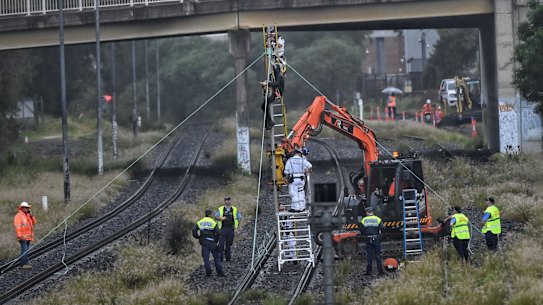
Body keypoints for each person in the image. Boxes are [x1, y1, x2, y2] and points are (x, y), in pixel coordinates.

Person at [192, 209, 224, 277]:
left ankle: (208, 273)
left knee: (206, 257)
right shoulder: (213, 222)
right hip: (213, 242)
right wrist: (217, 240)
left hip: (204, 242)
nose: (213, 215)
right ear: (209, 215)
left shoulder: (200, 222)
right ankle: (219, 273)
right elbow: (218, 233)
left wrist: (198, 237)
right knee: (216, 257)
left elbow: (194, 231)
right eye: (212, 214)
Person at [214, 196, 242, 262]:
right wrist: (221, 218)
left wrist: (237, 224)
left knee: (229, 244)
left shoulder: (234, 209)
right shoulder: (221, 209)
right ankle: (220, 259)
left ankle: (228, 259)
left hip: (230, 229)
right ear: (224, 201)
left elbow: (239, 217)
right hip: (222, 229)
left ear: (230, 201)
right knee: (221, 244)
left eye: (229, 200)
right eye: (226, 200)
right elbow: (215, 217)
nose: (228, 201)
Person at [360, 207, 385, 276]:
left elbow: (361, 230)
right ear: (373, 212)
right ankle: (380, 271)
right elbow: (382, 228)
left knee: (369, 256)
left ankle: (368, 272)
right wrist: (380, 236)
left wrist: (364, 236)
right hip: (376, 238)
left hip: (368, 239)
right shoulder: (378, 219)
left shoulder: (363, 220)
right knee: (378, 255)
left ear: (367, 213)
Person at [259, 64, 285, 130]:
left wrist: (268, 84)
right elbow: (271, 81)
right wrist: (265, 83)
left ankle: (269, 122)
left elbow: (277, 83)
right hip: (274, 91)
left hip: (277, 92)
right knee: (264, 106)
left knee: (265, 105)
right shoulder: (274, 75)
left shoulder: (280, 76)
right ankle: (267, 122)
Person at [13, 201, 36, 269]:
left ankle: (24, 263)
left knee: (26, 250)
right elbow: (17, 227)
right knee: (25, 250)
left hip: (28, 237)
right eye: (26, 208)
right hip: (23, 237)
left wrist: (32, 216)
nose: (27, 209)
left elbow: (34, 222)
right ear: (22, 208)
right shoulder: (18, 216)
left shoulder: (28, 215)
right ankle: (23, 265)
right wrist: (20, 236)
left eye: (28, 208)